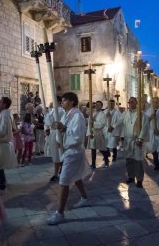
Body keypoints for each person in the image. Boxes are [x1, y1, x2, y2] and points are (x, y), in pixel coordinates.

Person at [46, 92, 91, 225]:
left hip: (74, 151)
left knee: (64, 180)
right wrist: (59, 127)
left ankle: (59, 213)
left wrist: (63, 128)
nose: (61, 103)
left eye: (64, 100)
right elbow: (60, 127)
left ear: (71, 102)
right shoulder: (67, 115)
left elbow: (78, 135)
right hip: (68, 151)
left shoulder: (78, 116)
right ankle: (84, 198)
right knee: (77, 177)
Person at [120, 97, 149, 188]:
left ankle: (139, 179)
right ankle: (131, 176)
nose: (130, 104)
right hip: (128, 140)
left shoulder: (141, 115)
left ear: (136, 103)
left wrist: (140, 138)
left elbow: (144, 127)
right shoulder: (125, 114)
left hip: (137, 140)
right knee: (129, 160)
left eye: (132, 102)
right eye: (129, 102)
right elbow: (119, 122)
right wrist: (112, 126)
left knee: (138, 160)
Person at [0, 97, 16, 194]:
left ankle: (1, 185)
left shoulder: (4, 115)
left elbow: (1, 130)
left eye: (0, 102)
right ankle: (3, 181)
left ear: (4, 105)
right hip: (2, 143)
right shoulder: (5, 114)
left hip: (1, 143)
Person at [44, 96, 65, 182]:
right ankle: (58, 172)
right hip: (53, 133)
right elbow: (48, 122)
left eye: (54, 101)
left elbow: (51, 122)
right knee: (56, 155)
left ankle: (57, 173)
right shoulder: (53, 110)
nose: (52, 102)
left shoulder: (60, 111)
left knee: (58, 154)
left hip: (58, 133)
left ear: (59, 102)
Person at [87, 100, 109, 169]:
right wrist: (89, 132)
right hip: (93, 132)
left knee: (102, 149)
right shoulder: (93, 113)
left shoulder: (103, 114)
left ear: (101, 106)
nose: (97, 106)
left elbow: (101, 124)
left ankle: (106, 161)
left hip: (99, 133)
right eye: (96, 105)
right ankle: (93, 164)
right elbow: (89, 124)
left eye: (99, 105)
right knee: (93, 149)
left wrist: (93, 122)